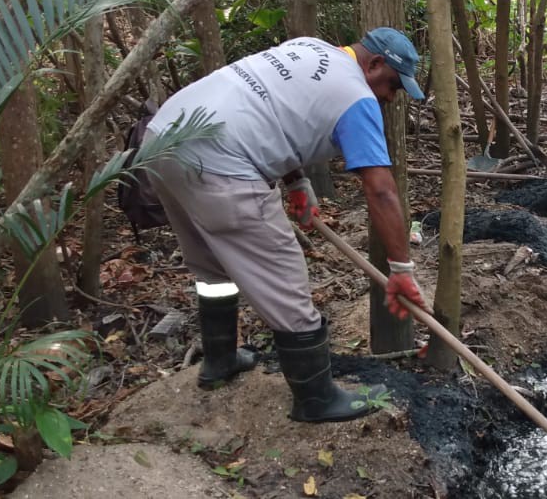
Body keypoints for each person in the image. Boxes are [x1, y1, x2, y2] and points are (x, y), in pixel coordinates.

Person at [143, 27, 428, 423]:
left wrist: (297, 182)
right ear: (375, 64)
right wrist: (400, 269)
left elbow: (276, 109)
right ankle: (316, 398)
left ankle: (220, 358)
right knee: (286, 274)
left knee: (211, 265)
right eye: (392, 85)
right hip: (222, 161)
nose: (390, 98)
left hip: (160, 141)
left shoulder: (310, 47)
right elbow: (381, 191)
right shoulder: (357, 98)